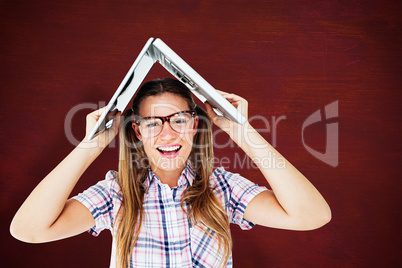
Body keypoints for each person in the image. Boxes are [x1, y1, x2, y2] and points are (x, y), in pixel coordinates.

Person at [10, 77, 331, 267]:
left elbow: (311, 215)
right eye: (152, 123)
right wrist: (90, 146)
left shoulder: (223, 188)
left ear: (194, 125)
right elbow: (29, 230)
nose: (167, 135)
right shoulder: (116, 193)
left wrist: (241, 130)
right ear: (136, 130)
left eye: (178, 119)